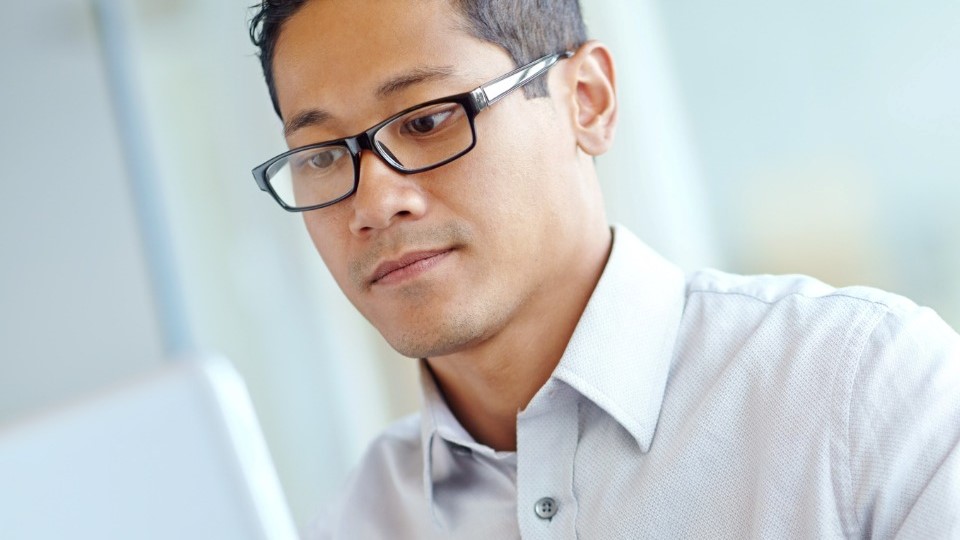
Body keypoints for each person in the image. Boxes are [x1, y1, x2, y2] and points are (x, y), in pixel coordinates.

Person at [247, 0, 960, 537]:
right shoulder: (356, 521)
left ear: (587, 101)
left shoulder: (863, 389)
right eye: (321, 157)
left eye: (427, 120)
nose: (373, 200)